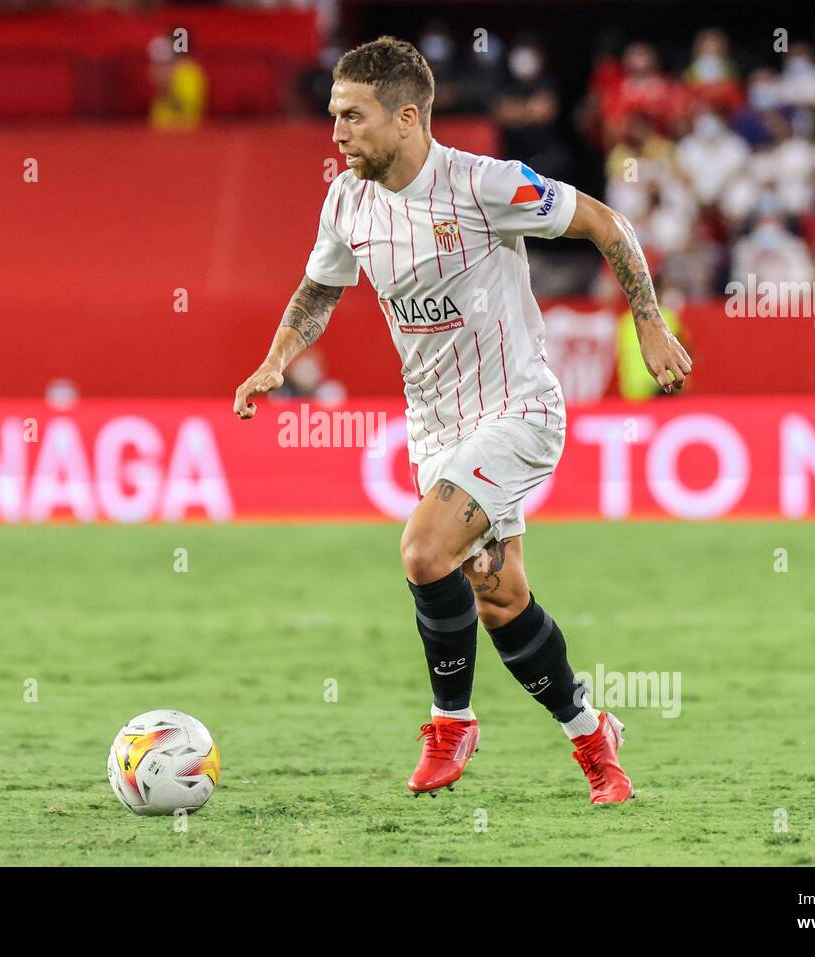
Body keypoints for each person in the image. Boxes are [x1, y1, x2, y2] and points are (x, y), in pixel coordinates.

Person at [232, 37, 691, 804]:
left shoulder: (487, 186)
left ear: (407, 117)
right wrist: (276, 360)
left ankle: (451, 723)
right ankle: (591, 734)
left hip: (518, 410)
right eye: (334, 115)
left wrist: (649, 324)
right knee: (501, 597)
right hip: (436, 427)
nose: (336, 132)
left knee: (421, 550)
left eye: (353, 116)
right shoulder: (347, 202)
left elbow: (609, 224)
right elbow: (318, 290)